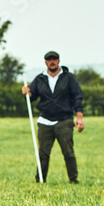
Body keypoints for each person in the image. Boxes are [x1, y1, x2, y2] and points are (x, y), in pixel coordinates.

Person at [22, 51, 84, 183]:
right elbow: (31, 97)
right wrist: (27, 93)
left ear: (58, 61)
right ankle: (40, 179)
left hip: (64, 121)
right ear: (46, 62)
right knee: (43, 154)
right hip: (45, 121)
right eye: (49, 60)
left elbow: (77, 97)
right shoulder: (40, 79)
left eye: (54, 59)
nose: (52, 62)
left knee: (68, 153)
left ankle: (73, 179)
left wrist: (79, 117)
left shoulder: (69, 78)